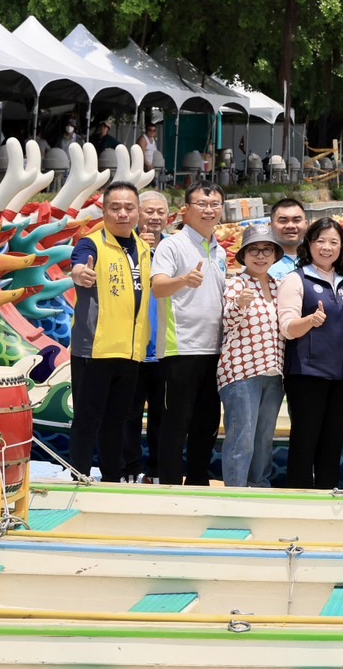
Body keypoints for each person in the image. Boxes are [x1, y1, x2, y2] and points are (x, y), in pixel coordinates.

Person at [66, 182, 151, 482]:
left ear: (138, 212)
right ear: (103, 211)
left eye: (129, 207)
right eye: (115, 207)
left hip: (130, 352)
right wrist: (79, 273)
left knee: (118, 421)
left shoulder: (143, 248)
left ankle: (111, 480)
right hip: (95, 349)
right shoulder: (92, 244)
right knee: (87, 421)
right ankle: (79, 478)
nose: (123, 213)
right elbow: (77, 265)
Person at [150, 180, 228, 486]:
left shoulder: (219, 250)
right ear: (186, 209)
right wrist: (184, 280)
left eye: (214, 205)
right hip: (180, 348)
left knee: (207, 423)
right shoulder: (173, 244)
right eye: (201, 204)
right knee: (175, 423)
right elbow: (158, 287)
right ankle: (169, 484)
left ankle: (197, 482)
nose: (208, 210)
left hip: (215, 350)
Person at [276, 218, 343, 489]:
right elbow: (287, 328)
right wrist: (309, 321)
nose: (327, 247)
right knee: (305, 441)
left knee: (332, 442)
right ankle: (299, 498)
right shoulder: (296, 280)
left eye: (334, 242)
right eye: (320, 240)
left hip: (340, 375)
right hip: (306, 375)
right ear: (309, 244)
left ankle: (327, 493)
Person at [218, 224, 285, 488]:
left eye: (267, 249)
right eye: (254, 250)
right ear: (244, 255)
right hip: (242, 372)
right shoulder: (236, 284)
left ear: (275, 254)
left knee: (263, 438)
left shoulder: (278, 286)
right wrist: (240, 304)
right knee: (240, 438)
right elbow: (228, 321)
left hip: (274, 372)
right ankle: (236, 493)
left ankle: (259, 488)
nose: (260, 255)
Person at [122, 189, 171, 483]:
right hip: (132, 347)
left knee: (163, 418)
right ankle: (128, 468)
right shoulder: (123, 248)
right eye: (148, 211)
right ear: (138, 213)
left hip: (166, 348)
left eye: (160, 212)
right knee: (128, 414)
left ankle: (157, 470)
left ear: (169, 217)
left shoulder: (175, 248)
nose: (154, 217)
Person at [268, 198, 308, 282]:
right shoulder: (259, 260)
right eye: (283, 221)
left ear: (306, 224)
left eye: (296, 220)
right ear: (270, 225)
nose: (290, 226)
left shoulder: (318, 256)